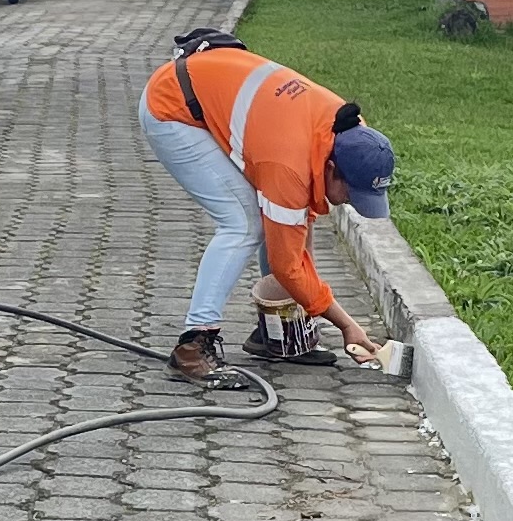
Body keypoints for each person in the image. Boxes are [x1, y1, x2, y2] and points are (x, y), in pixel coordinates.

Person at [139, 27, 397, 381]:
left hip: (208, 87)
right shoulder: (288, 164)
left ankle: (275, 334)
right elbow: (286, 264)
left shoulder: (351, 132)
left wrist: (303, 308)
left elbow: (297, 228)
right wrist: (346, 325)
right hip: (171, 106)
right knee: (244, 223)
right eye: (352, 194)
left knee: (276, 224)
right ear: (332, 170)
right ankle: (192, 347)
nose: (351, 202)